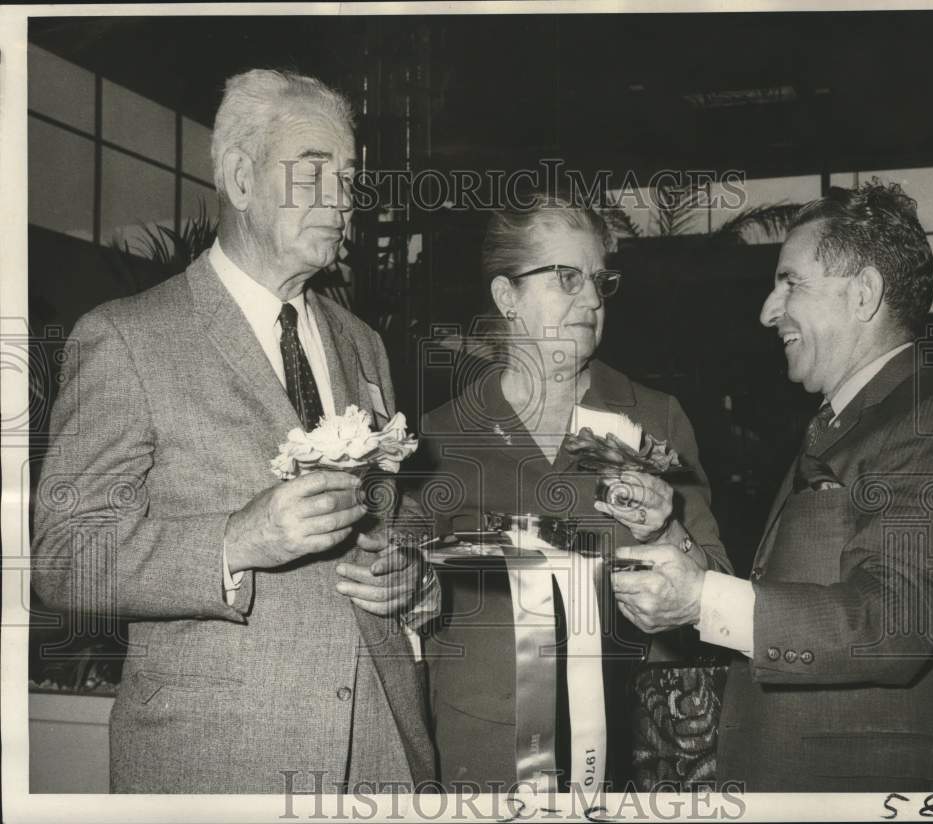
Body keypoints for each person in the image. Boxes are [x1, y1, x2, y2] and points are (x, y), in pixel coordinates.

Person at [31, 69, 436, 793]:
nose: (341, 198)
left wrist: (408, 573)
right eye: (313, 174)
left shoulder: (363, 345)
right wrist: (235, 542)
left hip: (379, 748)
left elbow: (387, 520)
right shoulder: (127, 337)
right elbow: (65, 560)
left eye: (347, 178)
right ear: (243, 179)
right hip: (218, 758)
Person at [612, 181, 933, 791]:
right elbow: (780, 593)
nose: (767, 309)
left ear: (863, 294)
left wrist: (700, 601)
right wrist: (667, 533)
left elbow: (896, 621)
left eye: (791, 282)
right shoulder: (844, 421)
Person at [417, 194, 733, 791]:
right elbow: (413, 606)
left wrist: (667, 529)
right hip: (481, 764)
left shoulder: (656, 419)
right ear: (506, 297)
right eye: (566, 277)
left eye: (598, 280)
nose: (590, 299)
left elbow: (717, 589)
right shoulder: (436, 438)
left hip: (637, 758)